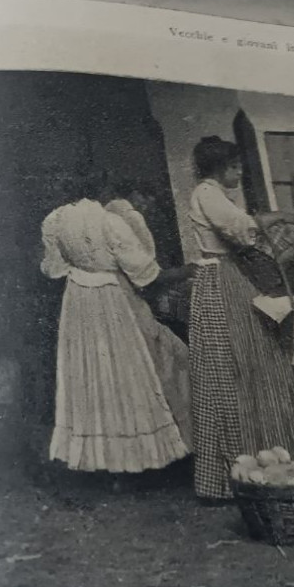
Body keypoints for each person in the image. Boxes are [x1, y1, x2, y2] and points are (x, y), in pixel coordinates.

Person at [186, 137, 294, 500]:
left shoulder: (217, 194)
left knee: (253, 363)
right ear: (218, 168)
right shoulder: (207, 193)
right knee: (230, 367)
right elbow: (239, 229)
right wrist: (275, 218)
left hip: (234, 278)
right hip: (221, 281)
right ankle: (235, 470)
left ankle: (269, 459)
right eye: (234, 167)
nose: (239, 173)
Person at [39, 177, 189, 473]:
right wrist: (188, 271)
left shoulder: (55, 220)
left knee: (90, 371)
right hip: (112, 298)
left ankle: (96, 457)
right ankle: (138, 457)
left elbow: (53, 269)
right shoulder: (111, 222)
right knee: (126, 371)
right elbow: (146, 274)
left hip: (78, 301)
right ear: (103, 193)